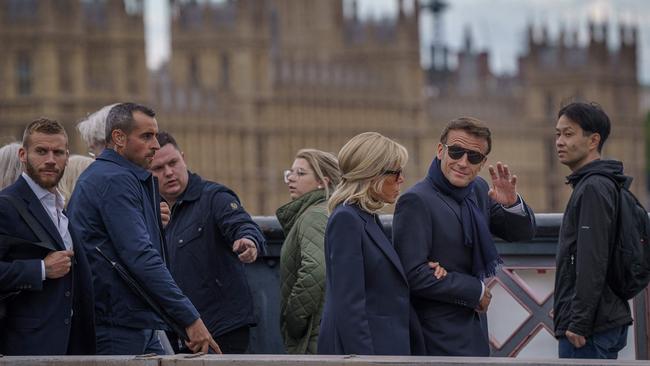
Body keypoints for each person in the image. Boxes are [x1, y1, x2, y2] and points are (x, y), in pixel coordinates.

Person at [67, 103, 220, 355]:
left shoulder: (120, 177)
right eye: (146, 136)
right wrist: (189, 318)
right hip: (117, 323)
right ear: (118, 137)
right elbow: (141, 255)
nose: (156, 145)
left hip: (133, 319)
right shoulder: (114, 180)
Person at [392, 117, 536, 356]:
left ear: (482, 163)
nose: (463, 162)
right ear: (440, 150)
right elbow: (412, 274)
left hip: (476, 329)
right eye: (456, 152)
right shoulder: (416, 201)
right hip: (436, 334)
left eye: (474, 157)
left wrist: (511, 204)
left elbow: (521, 234)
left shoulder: (478, 189)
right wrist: (475, 290)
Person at [317, 132, 445, 355]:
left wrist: (428, 270)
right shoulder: (346, 219)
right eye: (396, 173)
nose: (402, 179)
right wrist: (367, 361)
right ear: (372, 174)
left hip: (386, 345)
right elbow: (348, 305)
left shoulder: (366, 218)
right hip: (367, 350)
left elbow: (383, 276)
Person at [149, 131, 266, 354]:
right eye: (158, 168)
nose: (169, 173)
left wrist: (249, 241)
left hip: (221, 331)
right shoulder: (148, 211)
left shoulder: (213, 197)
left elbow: (241, 223)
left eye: (173, 163)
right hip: (177, 334)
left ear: (183, 158)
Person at [0, 118, 95, 355]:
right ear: (23, 155)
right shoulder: (6, 206)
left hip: (72, 347)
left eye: (58, 152)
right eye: (41, 151)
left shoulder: (59, 208)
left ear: (67, 156)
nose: (51, 160)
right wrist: (41, 269)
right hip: (26, 349)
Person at [554, 102, 632, 359]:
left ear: (593, 140)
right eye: (557, 134)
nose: (559, 142)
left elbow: (592, 260)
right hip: (605, 319)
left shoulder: (592, 188)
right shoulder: (605, 183)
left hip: (589, 330)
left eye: (568, 134)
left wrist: (579, 320)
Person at [276, 149, 341, 354]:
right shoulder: (326, 211)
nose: (291, 179)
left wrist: (294, 319)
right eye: (290, 173)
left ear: (323, 181)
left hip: (313, 335)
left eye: (301, 173)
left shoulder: (314, 216)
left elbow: (316, 270)